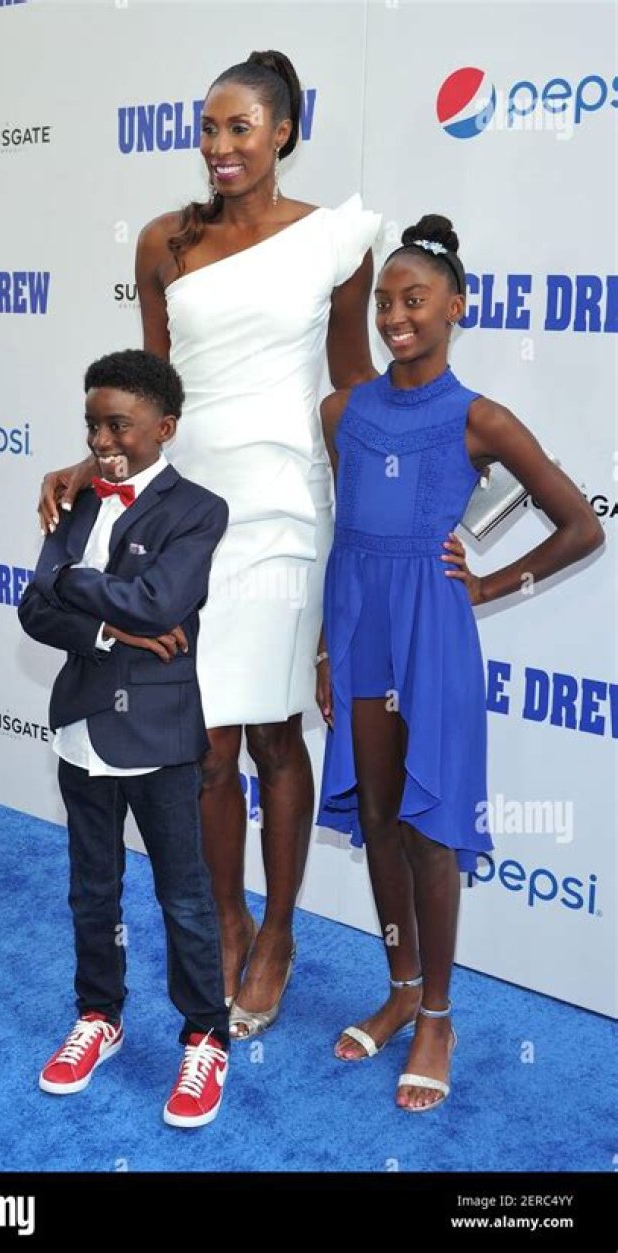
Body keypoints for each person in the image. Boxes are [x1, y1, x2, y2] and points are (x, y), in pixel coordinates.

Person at [38, 50, 383, 1039]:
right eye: (209, 128)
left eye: (241, 127)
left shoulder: (332, 241)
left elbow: (350, 379)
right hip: (184, 517)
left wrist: (422, 457)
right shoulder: (164, 241)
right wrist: (94, 461)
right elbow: (150, 390)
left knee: (271, 729)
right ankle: (225, 916)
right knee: (202, 741)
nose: (220, 146)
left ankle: (277, 932)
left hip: (281, 509)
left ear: (283, 133)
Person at [316, 215, 603, 1111]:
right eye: (384, 302)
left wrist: (491, 585)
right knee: (376, 814)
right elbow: (347, 536)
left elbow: (582, 527)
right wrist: (326, 646)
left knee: (430, 824)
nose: (395, 317)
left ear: (457, 308)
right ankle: (401, 986)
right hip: (360, 626)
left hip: (432, 631)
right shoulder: (342, 412)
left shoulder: (482, 418)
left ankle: (438, 1013)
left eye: (415, 300)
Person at [18, 349, 231, 1128]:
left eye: (119, 425)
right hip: (81, 726)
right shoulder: (74, 499)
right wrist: (110, 629)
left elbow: (160, 601)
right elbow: (32, 609)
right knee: (92, 889)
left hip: (159, 735)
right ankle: (98, 1015)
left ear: (164, 428)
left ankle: (205, 1035)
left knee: (184, 894)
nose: (102, 440)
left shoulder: (200, 509)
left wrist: (72, 580)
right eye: (92, 425)